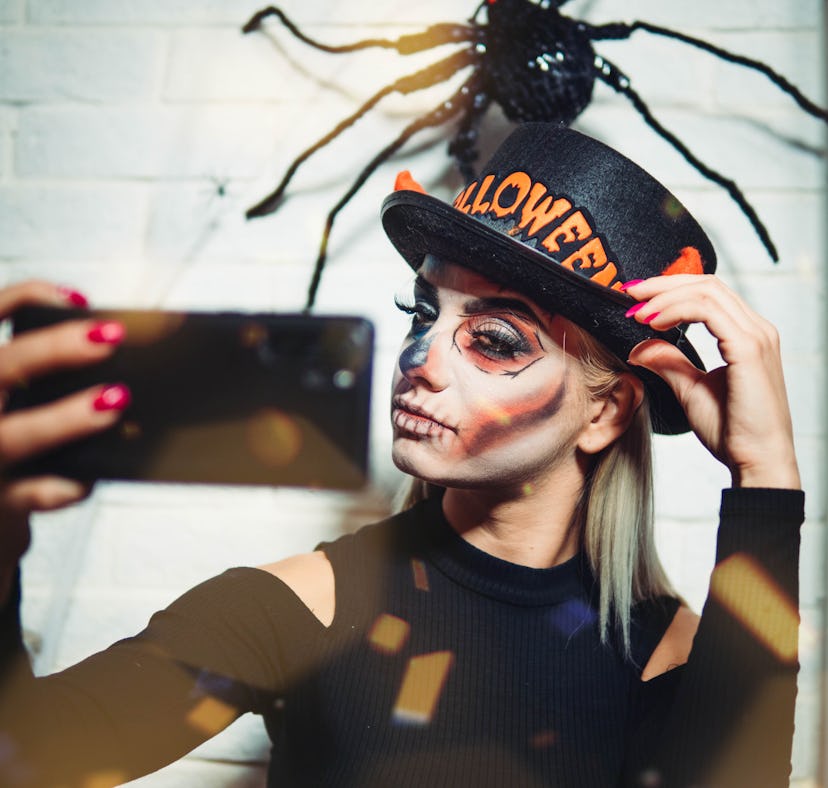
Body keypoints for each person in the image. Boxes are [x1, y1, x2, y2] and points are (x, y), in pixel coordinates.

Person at [0, 123, 803, 787]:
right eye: (423, 312)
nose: (420, 358)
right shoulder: (309, 607)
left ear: (606, 411)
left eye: (493, 339)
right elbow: (26, 759)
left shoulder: (668, 652)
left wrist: (766, 476)